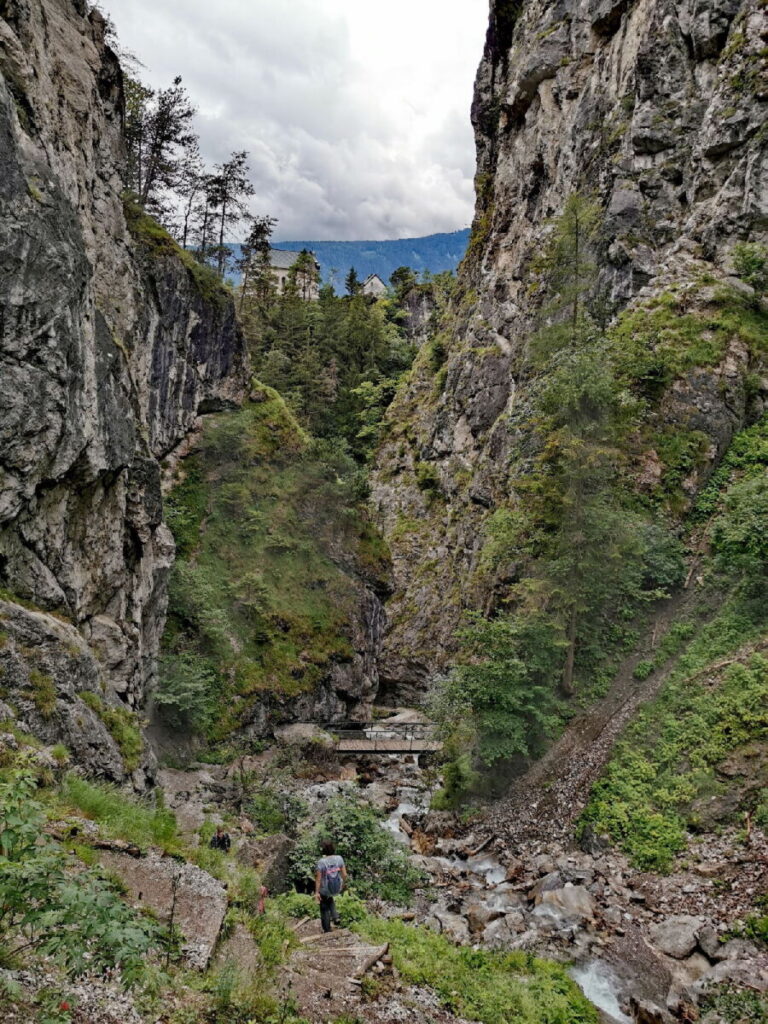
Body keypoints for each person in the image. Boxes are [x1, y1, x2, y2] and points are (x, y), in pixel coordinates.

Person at [314, 839, 347, 933]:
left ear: (323, 850)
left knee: (324, 906)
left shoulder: (321, 862)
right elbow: (345, 875)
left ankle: (327, 929)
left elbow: (318, 879)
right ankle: (335, 917)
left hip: (325, 889)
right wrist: (343, 885)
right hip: (336, 887)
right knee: (330, 899)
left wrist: (316, 892)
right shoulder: (339, 858)